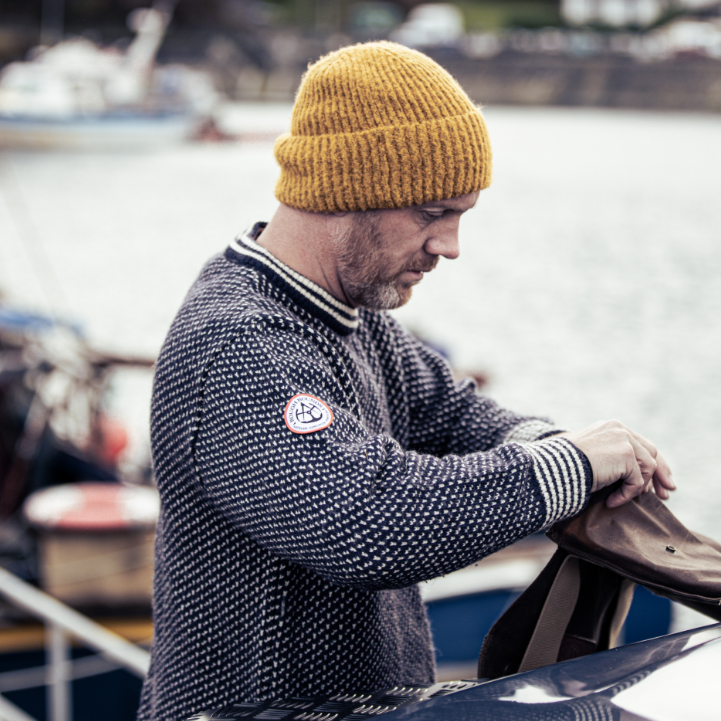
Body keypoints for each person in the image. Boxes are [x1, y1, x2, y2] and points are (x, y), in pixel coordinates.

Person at [136, 42, 675, 721]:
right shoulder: (239, 339)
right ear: (348, 189)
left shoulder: (352, 317)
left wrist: (571, 448)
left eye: (460, 216)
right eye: (432, 213)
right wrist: (566, 467)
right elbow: (365, 518)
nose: (449, 245)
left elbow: (456, 417)